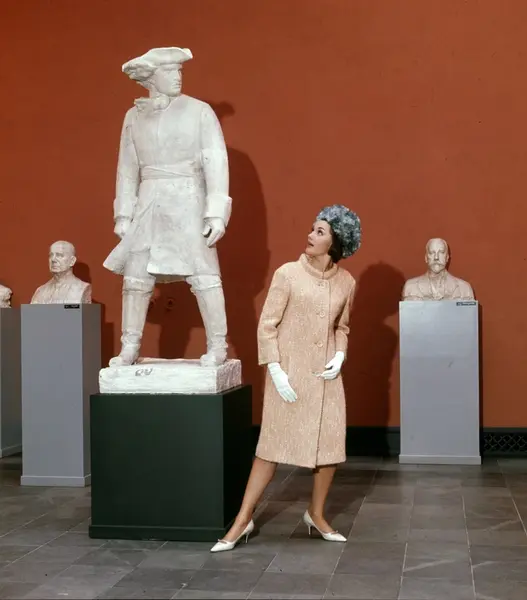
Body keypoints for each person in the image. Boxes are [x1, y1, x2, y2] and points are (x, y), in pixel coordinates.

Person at [211, 204, 361, 552]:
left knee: (329, 448)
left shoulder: (346, 282)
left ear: (336, 242)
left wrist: (340, 355)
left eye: (319, 232)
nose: (310, 235)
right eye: (312, 228)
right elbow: (266, 325)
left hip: (326, 379)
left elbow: (342, 327)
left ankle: (316, 514)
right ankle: (242, 520)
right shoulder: (288, 274)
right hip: (288, 377)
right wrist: (275, 370)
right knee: (269, 449)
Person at [102, 47, 231, 367]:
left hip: (188, 199)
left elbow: (215, 160)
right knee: (136, 278)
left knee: (204, 275)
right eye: (170, 72)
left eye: (179, 71)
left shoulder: (199, 111)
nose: (178, 77)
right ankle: (129, 345)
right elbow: (127, 168)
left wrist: (216, 212)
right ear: (151, 77)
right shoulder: (134, 116)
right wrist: (123, 213)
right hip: (149, 202)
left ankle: (218, 345)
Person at [402, 237, 474, 301]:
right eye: (431, 253)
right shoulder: (410, 288)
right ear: (426, 258)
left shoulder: (464, 289)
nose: (436, 257)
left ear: (447, 257)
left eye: (441, 252)